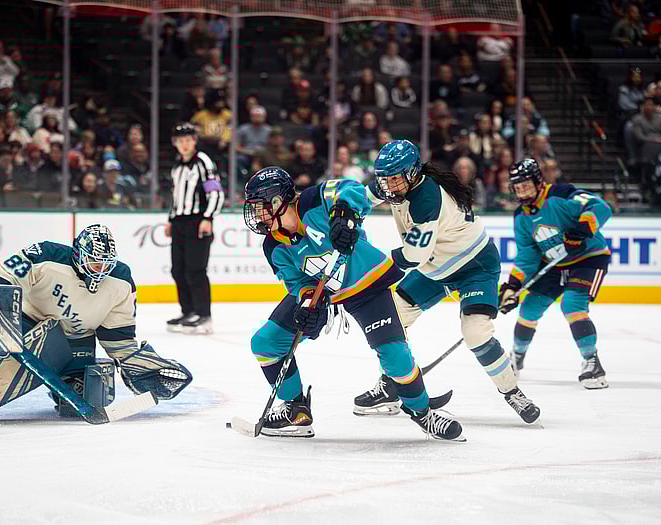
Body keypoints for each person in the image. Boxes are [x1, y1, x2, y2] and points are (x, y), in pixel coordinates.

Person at [242, 166, 464, 440]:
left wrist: (343, 214)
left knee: (394, 356)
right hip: (326, 294)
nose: (257, 215)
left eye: (261, 206)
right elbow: (297, 282)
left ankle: (423, 413)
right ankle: (296, 410)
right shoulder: (273, 246)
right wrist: (307, 300)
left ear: (279, 201)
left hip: (366, 285)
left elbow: (352, 188)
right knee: (266, 343)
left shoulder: (314, 200)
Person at [0, 224, 191, 426]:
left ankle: (67, 379)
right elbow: (1, 274)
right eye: (95, 264)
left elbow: (118, 334)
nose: (101, 271)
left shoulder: (120, 282)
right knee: (33, 357)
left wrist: (143, 366)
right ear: (79, 254)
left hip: (78, 341)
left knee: (92, 394)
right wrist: (1, 318)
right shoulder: (47, 255)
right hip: (30, 326)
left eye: (106, 265)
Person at [352, 140, 540, 425]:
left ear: (412, 173)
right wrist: (342, 211)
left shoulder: (425, 200)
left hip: (473, 266)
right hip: (436, 267)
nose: (388, 186)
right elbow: (362, 196)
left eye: (394, 178)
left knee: (476, 332)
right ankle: (392, 384)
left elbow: (414, 256)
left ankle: (512, 391)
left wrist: (365, 265)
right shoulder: (399, 181)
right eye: (384, 179)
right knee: (391, 319)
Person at [499, 159, 612, 389]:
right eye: (517, 187)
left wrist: (582, 229)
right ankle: (516, 358)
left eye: (525, 185)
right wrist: (513, 285)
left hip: (589, 259)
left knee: (572, 305)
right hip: (554, 264)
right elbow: (527, 256)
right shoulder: (521, 216)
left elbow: (600, 206)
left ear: (539, 181)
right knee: (529, 308)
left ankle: (592, 362)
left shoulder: (561, 193)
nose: (521, 191)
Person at [165, 123, 224, 334]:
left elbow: (216, 193)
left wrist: (208, 218)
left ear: (195, 141)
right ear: (175, 144)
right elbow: (176, 196)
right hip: (180, 223)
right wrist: (171, 220)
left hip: (198, 222)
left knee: (195, 270)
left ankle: (204, 315)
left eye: (188, 139)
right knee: (178, 269)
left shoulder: (203, 162)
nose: (185, 144)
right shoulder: (176, 167)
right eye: (181, 141)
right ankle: (188, 311)